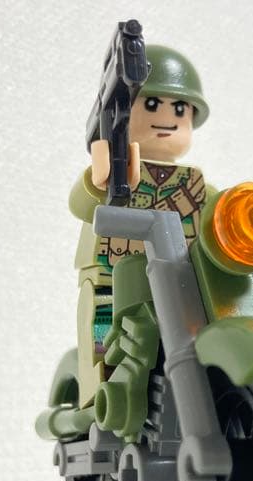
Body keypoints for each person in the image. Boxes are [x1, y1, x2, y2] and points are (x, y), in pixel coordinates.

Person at [69, 45, 212, 407]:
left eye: (179, 109)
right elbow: (80, 204)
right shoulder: (115, 170)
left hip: (181, 280)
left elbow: (215, 210)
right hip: (113, 274)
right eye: (151, 104)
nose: (167, 117)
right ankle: (102, 398)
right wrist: (98, 182)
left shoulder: (193, 182)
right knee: (104, 330)